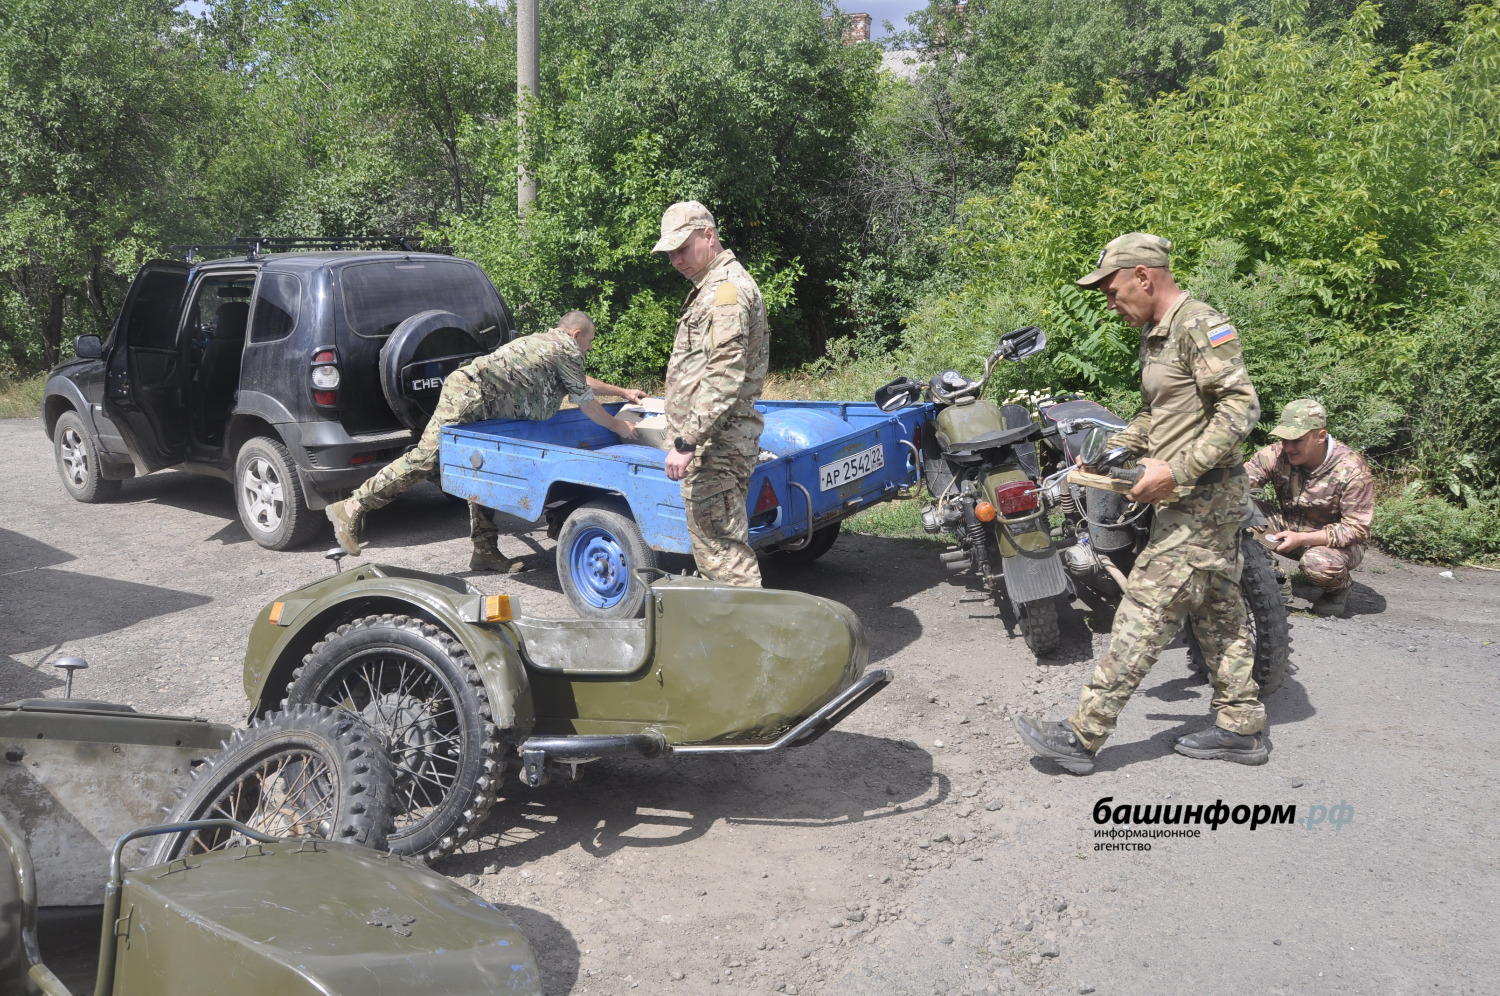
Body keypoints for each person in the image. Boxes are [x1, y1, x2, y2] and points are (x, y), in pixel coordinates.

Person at [1015, 232, 1269, 773]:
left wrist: (1176, 470)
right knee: (1220, 611)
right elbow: (1162, 412)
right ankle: (1241, 726)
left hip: (1203, 500)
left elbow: (1241, 408)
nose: (1110, 304)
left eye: (1112, 292)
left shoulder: (1199, 324)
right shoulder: (1156, 336)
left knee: (1143, 611)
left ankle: (1082, 735)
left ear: (1143, 277)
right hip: (1193, 498)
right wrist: (1119, 447)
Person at [326, 311, 644, 571]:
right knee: (427, 458)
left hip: (483, 403)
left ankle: (484, 551)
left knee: (485, 467)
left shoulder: (552, 347)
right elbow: (586, 403)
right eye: (589, 342)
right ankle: (352, 506)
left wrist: (623, 392)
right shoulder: (565, 349)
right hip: (470, 396)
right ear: (576, 335)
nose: (589, 348)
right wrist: (618, 426)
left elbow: (581, 383)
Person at [653, 201, 769, 586]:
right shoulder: (712, 287)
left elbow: (724, 372)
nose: (676, 260)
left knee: (725, 559)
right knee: (718, 552)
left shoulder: (725, 291)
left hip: (715, 445)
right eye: (670, 253)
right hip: (715, 442)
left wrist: (688, 440)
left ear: (709, 235)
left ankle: (745, 626)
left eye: (682, 249)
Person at [1245, 398, 1373, 617]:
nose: (1288, 447)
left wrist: (1302, 539)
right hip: (1287, 529)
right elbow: (1238, 485)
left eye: (1297, 440)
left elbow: (1357, 529)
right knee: (1237, 510)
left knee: (1317, 564)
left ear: (1320, 436)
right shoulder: (1276, 455)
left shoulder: (1351, 469)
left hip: (1335, 545)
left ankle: (1337, 590)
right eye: (1284, 439)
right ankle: (1273, 579)